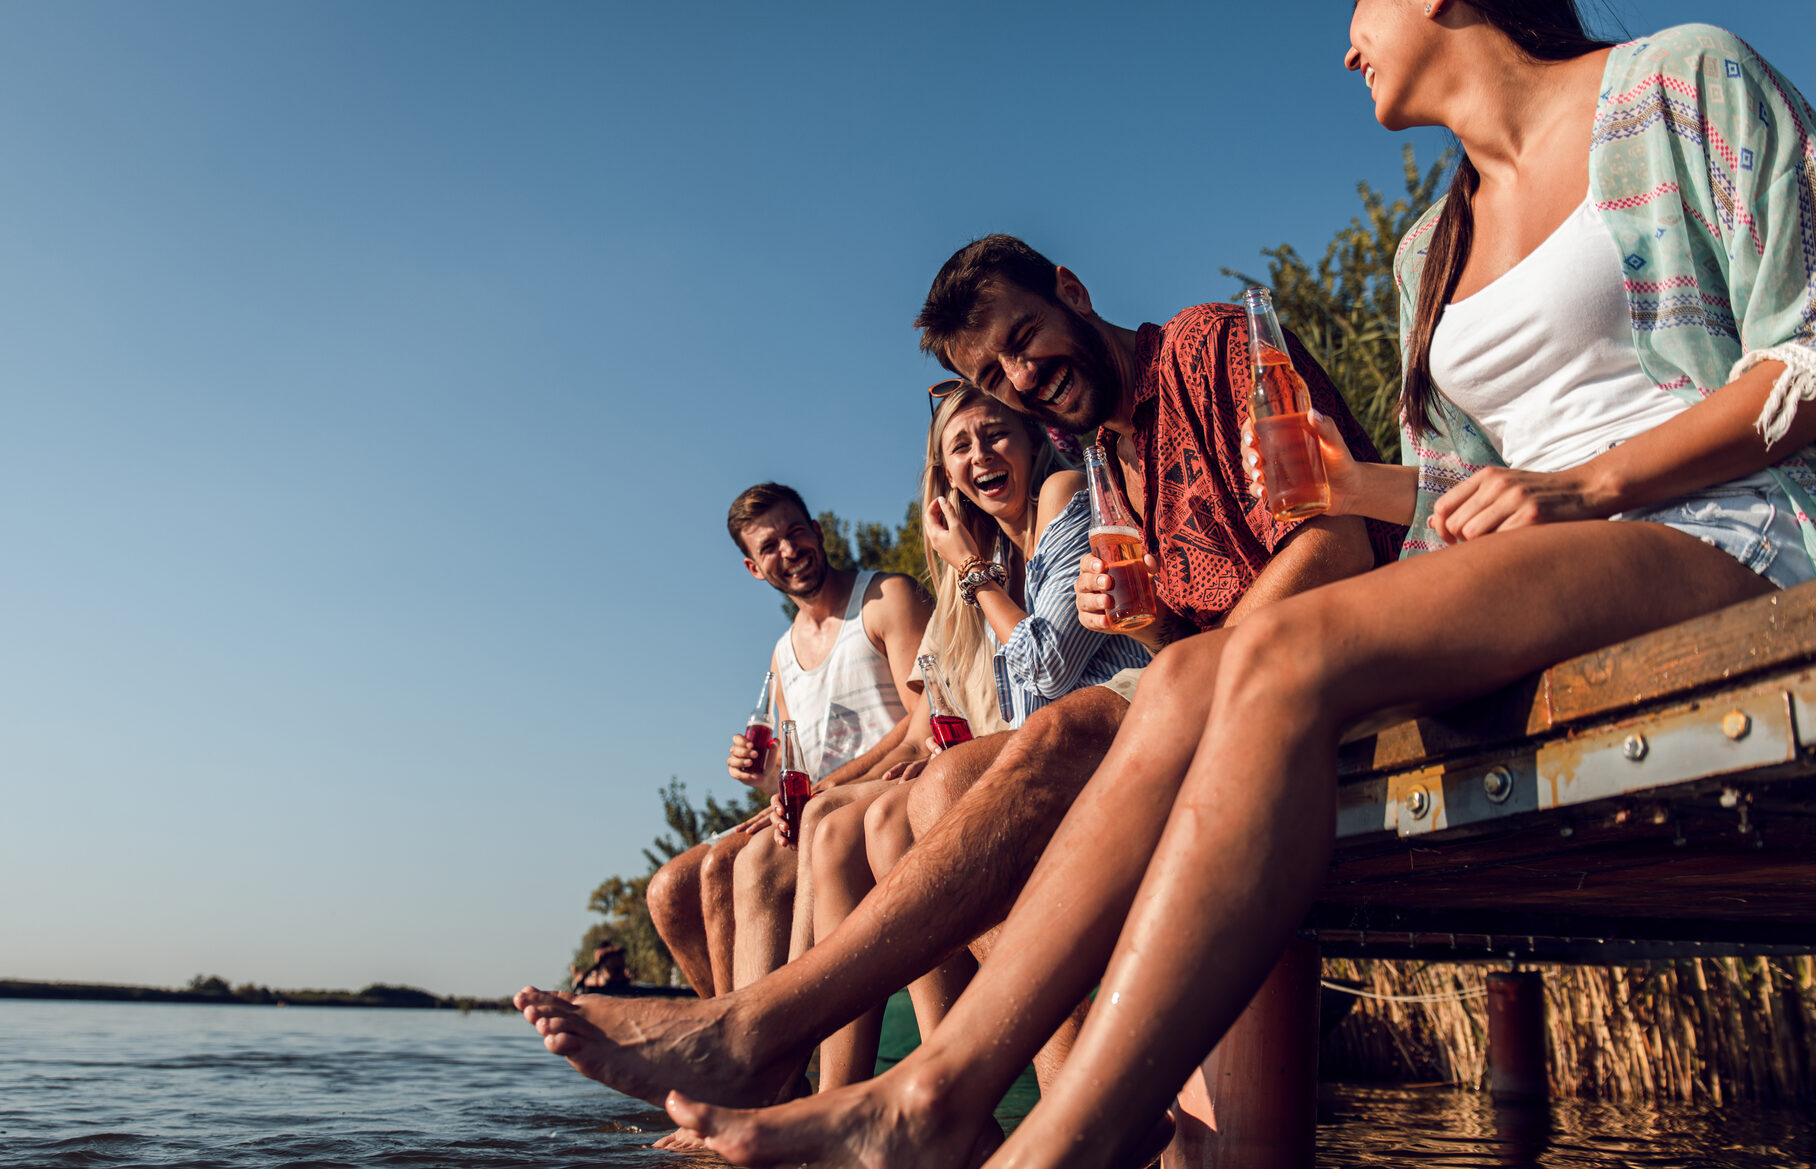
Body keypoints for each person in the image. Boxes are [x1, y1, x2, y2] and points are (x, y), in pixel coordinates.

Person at [652, 9, 1816, 1168]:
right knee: (1126, 703)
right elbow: (1455, 488)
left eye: (1360, 8)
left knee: (1248, 660)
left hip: (1724, 528)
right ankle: (935, 1092)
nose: (1346, 45)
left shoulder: (1678, 80)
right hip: (1527, 566)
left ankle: (992, 1117)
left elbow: (1800, 359)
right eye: (988, 374)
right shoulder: (1429, 248)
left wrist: (1581, 484)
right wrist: (1348, 501)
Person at [512, 235, 1403, 1128]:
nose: (1021, 376)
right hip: (1216, 694)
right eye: (994, 370)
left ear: (1072, 289)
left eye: (1023, 338)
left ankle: (766, 1035)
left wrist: (1179, 660)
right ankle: (1028, 1104)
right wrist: (1150, 626)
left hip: (1333, 661)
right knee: (945, 784)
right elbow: (1145, 643)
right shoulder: (1109, 457)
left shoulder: (1206, 346)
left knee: (1048, 737)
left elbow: (1337, 542)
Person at [807, 385, 1155, 1092]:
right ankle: (913, 1091)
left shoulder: (1061, 494)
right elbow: (947, 708)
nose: (979, 456)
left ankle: (1048, 1088)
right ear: (944, 480)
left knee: (926, 799)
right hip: (1056, 748)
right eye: (958, 448)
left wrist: (970, 572)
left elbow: (1049, 669)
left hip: (1127, 727)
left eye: (993, 435)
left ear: (1033, 442)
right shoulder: (999, 556)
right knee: (874, 817)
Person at [642, 483, 929, 1015]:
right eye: (769, 545)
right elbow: (799, 768)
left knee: (734, 863)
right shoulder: (781, 653)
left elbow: (924, 721)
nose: (789, 550)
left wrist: (820, 790)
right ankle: (724, 1024)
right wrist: (769, 778)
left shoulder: (886, 597)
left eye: (796, 532)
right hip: (817, 800)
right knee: (671, 887)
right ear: (754, 568)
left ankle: (750, 1036)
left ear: (818, 532)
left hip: (876, 794)